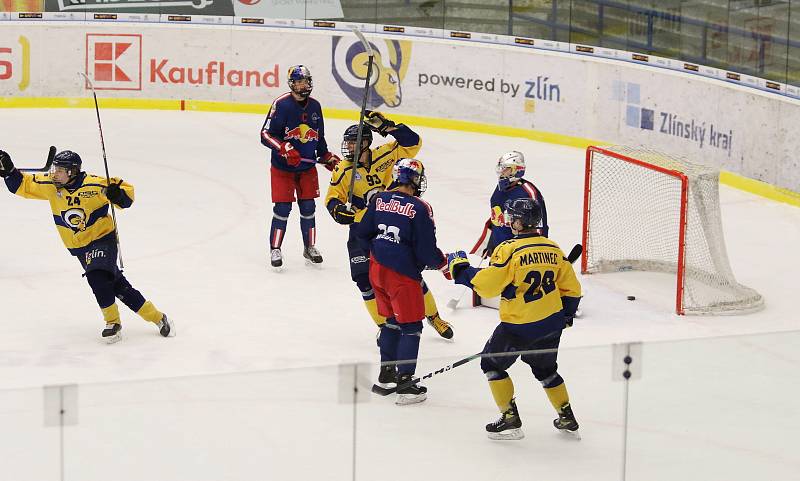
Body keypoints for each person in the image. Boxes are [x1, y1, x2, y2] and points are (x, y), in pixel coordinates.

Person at [0, 149, 173, 344]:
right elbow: (23, 185)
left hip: (102, 239)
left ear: (72, 172)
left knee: (97, 277)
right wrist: (8, 171)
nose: (54, 173)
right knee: (117, 286)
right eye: (54, 168)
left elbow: (126, 197)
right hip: (80, 248)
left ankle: (112, 323)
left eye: (59, 170)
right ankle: (158, 317)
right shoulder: (52, 185)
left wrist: (117, 195)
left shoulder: (95, 184)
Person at [447, 198, 580, 440]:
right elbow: (572, 289)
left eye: (512, 217)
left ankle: (509, 418)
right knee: (547, 371)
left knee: (491, 365)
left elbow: (488, 285)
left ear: (519, 222)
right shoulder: (553, 248)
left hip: (518, 325)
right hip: (550, 323)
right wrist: (567, 315)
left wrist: (461, 269)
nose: (509, 221)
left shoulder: (509, 249)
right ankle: (566, 415)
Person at [324, 112, 454, 340]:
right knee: (364, 280)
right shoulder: (343, 169)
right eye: (348, 143)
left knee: (408, 274)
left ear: (366, 143)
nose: (350, 148)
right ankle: (385, 327)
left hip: (390, 222)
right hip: (361, 230)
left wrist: (388, 127)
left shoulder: (385, 155)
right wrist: (337, 210)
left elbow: (414, 142)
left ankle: (433, 317)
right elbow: (332, 197)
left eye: (355, 143)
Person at [355, 158, 447, 404]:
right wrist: (443, 264)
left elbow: (362, 233)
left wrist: (378, 253)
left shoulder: (379, 199)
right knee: (412, 327)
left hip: (377, 270)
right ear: (415, 179)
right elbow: (427, 249)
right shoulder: (420, 207)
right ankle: (406, 385)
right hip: (401, 275)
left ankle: (386, 376)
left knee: (391, 322)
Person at [260, 65, 340, 268]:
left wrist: (326, 156)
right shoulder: (281, 105)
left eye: (305, 81)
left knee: (308, 207)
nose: (303, 85)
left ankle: (309, 247)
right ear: (292, 84)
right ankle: (275, 248)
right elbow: (265, 134)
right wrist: (284, 147)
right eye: (299, 81)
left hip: (306, 168)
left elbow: (318, 136)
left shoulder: (315, 107)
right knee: (283, 208)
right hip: (282, 168)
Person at [474, 151, 549, 258]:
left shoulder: (529, 193)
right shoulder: (501, 188)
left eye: (506, 168)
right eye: (501, 168)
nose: (501, 172)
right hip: (499, 253)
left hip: (518, 256)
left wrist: (539, 257)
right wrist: (490, 243)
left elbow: (540, 229)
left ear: (517, 170)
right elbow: (497, 217)